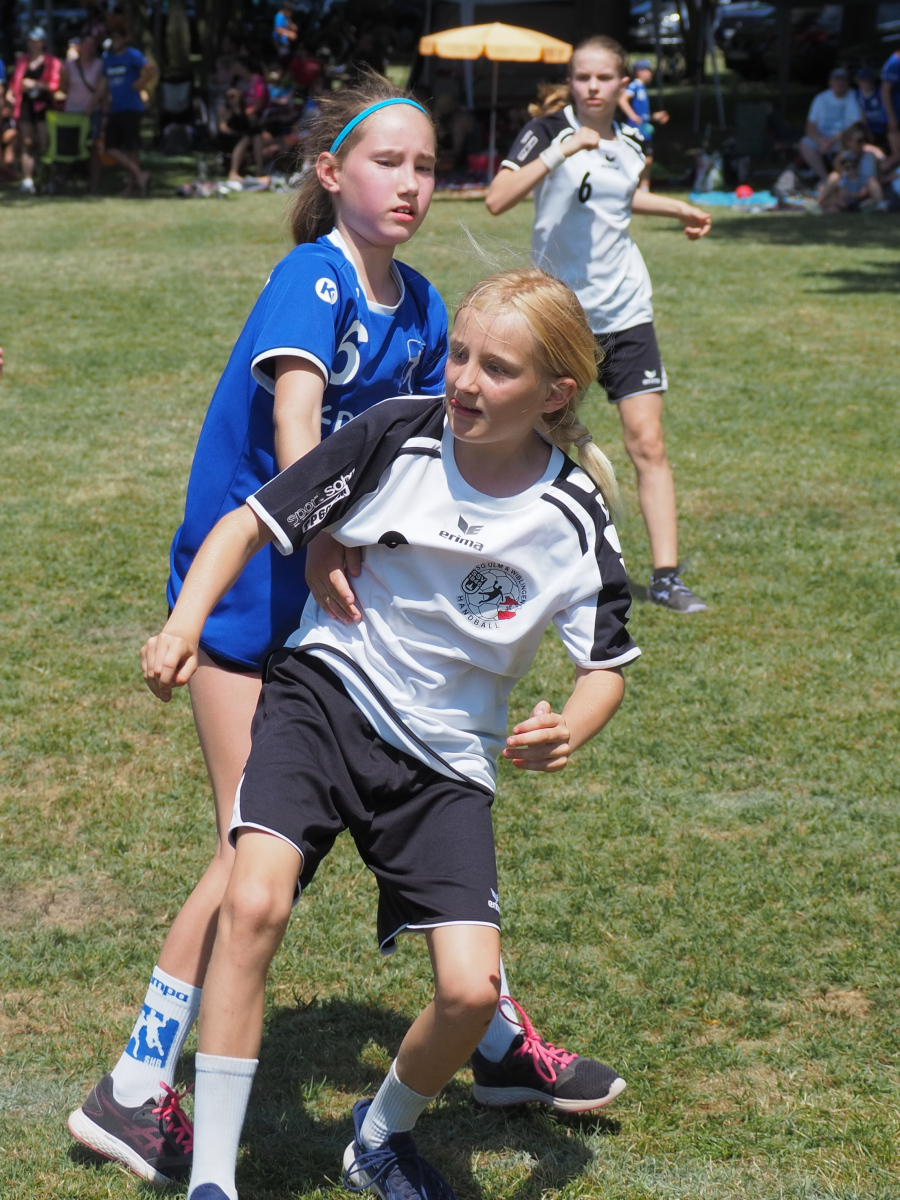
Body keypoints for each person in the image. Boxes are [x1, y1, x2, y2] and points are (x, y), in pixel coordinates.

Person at [67, 76, 623, 1190]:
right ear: (330, 174)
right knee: (248, 858)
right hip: (254, 601)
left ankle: (492, 1036)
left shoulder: (423, 305)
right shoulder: (312, 276)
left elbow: (444, 442)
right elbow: (298, 420)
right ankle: (135, 1083)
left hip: (350, 612)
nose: (412, 184)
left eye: (427, 166)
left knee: (396, 824)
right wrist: (319, 536)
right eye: (387, 162)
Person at [139, 265, 640, 1200]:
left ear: (555, 393)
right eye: (460, 355)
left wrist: (569, 725)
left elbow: (605, 665)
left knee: (471, 993)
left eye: (496, 369)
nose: (464, 382)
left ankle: (378, 1139)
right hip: (324, 701)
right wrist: (182, 626)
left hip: (444, 762)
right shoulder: (394, 434)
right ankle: (213, 1180)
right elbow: (247, 525)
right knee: (253, 901)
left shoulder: (573, 515)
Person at [485, 35, 711, 614]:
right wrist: (563, 150)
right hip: (561, 316)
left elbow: (621, 197)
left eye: (603, 78)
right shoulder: (546, 131)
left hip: (627, 311)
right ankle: (525, 561)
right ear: (571, 80)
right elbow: (497, 198)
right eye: (582, 77)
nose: (591, 87)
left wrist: (679, 208)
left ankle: (666, 577)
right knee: (542, 439)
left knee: (648, 442)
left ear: (622, 85)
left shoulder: (633, 140)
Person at [96, 19, 157, 197]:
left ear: (125, 38)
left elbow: (151, 70)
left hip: (132, 107)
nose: (115, 40)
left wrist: (139, 84)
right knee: (110, 147)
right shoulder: (108, 59)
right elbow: (103, 86)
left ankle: (131, 187)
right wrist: (94, 105)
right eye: (112, 37)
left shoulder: (132, 55)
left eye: (118, 37)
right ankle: (140, 175)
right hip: (115, 108)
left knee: (132, 149)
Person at [9, 27, 62, 194]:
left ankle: (46, 180)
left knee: (44, 143)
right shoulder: (22, 61)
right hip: (26, 106)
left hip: (44, 106)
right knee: (27, 142)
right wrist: (11, 94)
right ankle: (27, 181)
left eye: (36, 41)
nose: (33, 44)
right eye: (31, 41)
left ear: (43, 42)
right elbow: (14, 83)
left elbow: (55, 85)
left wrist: (35, 84)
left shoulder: (51, 61)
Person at [799, 67, 863, 182]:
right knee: (805, 143)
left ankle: (849, 178)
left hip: (845, 138)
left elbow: (856, 125)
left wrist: (832, 140)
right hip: (823, 140)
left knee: (856, 137)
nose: (840, 83)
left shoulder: (855, 97)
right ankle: (825, 179)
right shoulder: (820, 98)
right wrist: (820, 141)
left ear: (848, 82)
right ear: (830, 82)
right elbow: (810, 126)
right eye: (837, 80)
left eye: (843, 80)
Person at [58, 34, 103, 191]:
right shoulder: (69, 65)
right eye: (86, 44)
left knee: (93, 148)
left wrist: (91, 108)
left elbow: (102, 90)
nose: (89, 48)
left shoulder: (99, 64)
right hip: (72, 113)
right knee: (68, 149)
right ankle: (63, 185)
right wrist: (63, 77)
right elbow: (63, 89)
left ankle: (94, 186)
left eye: (92, 45)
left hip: (92, 113)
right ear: (79, 46)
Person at [618, 58, 669, 192]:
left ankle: (644, 189)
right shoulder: (634, 86)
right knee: (639, 159)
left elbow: (642, 114)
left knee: (648, 160)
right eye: (647, 71)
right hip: (634, 130)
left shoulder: (643, 88)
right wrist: (632, 116)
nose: (650, 74)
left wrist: (655, 117)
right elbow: (622, 100)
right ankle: (631, 188)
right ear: (639, 72)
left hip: (644, 130)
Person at [817, 123, 884, 212]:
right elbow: (839, 179)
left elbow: (876, 180)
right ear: (848, 142)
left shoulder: (870, 156)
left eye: (865, 140)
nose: (863, 143)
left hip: (863, 192)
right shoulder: (842, 157)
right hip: (846, 192)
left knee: (871, 180)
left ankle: (879, 205)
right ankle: (817, 203)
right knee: (834, 176)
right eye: (859, 140)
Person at [881, 40, 900, 169]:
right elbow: (885, 91)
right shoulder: (895, 63)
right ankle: (874, 174)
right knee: (898, 155)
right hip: (895, 116)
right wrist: (891, 118)